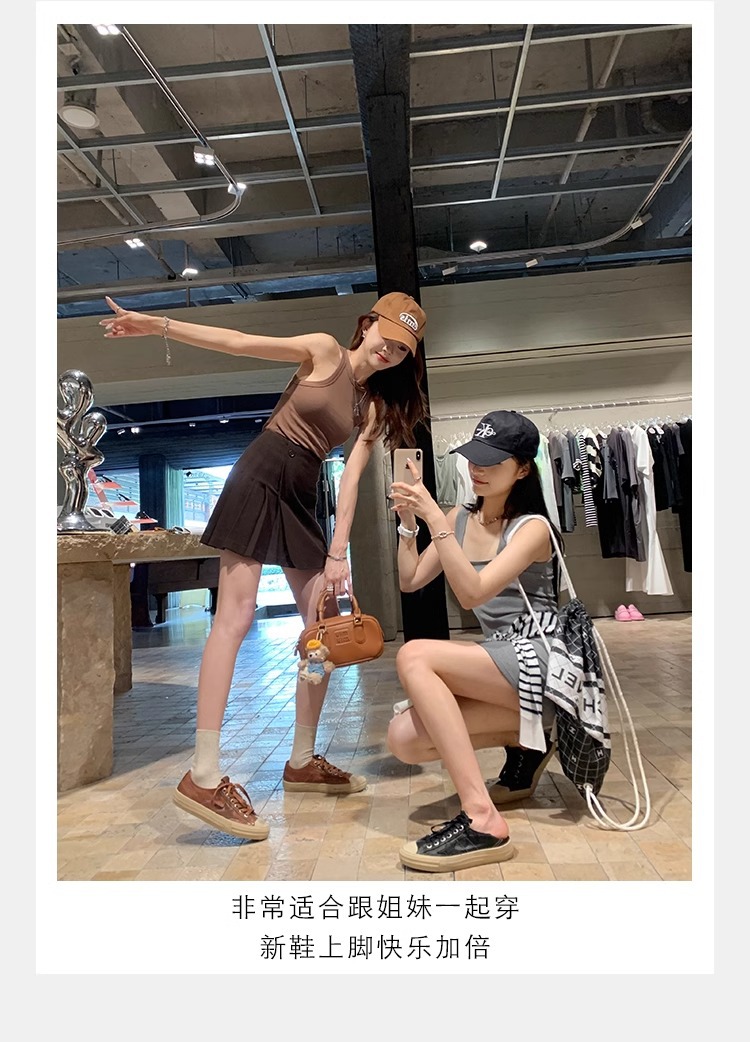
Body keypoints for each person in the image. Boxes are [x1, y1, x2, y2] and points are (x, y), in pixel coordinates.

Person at [100, 291, 428, 841]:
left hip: (304, 493)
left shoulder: (370, 408)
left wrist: (338, 551)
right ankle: (203, 773)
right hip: (261, 472)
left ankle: (301, 760)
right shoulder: (324, 351)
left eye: (402, 351)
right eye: (387, 339)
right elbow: (237, 342)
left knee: (323, 632)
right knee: (235, 616)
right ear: (368, 324)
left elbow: (350, 480)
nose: (389, 352)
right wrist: (156, 324)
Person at [386, 410, 561, 872]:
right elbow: (410, 580)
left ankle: (482, 818)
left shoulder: (533, 528)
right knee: (404, 739)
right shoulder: (460, 519)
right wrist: (409, 523)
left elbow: (471, 593)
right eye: (473, 458)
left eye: (492, 462)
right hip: (498, 661)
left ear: (522, 469)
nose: (477, 469)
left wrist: (434, 517)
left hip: (538, 658)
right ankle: (529, 743)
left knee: (415, 655)